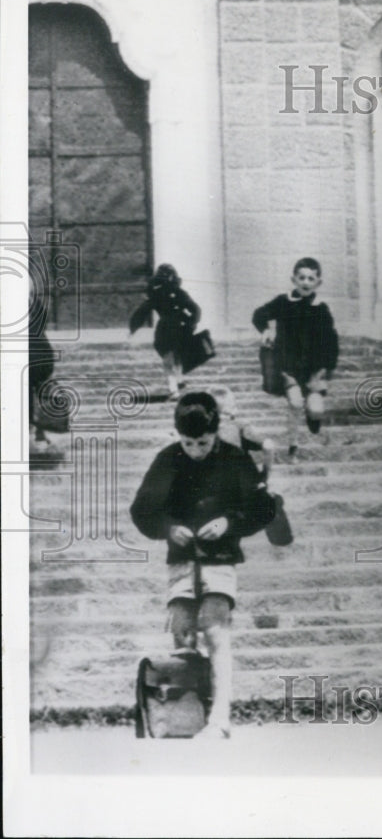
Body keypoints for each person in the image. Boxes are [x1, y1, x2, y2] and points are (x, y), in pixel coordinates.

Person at [130, 391, 274, 738]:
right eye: (189, 443)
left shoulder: (234, 459)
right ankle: (186, 713)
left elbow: (262, 507)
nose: (195, 450)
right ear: (179, 435)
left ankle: (220, 718)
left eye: (203, 443)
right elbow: (142, 509)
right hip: (182, 558)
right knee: (181, 630)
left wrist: (229, 523)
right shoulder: (168, 459)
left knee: (215, 630)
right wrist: (168, 527)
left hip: (220, 558)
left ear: (216, 433)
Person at [252, 257, 339, 459]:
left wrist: (326, 367)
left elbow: (331, 340)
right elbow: (259, 314)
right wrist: (265, 329)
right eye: (301, 278)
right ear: (294, 279)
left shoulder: (322, 308)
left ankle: (313, 416)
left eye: (311, 278)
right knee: (295, 403)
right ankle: (293, 445)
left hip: (314, 369)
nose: (306, 282)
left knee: (315, 409)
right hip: (288, 365)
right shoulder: (283, 302)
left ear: (318, 282)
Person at [129, 264, 201, 399]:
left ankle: (174, 388)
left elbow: (142, 312)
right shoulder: (179, 293)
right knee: (177, 357)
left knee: (168, 360)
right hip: (180, 328)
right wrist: (191, 323)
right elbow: (195, 309)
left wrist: (133, 327)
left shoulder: (157, 294)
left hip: (166, 330)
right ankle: (179, 382)